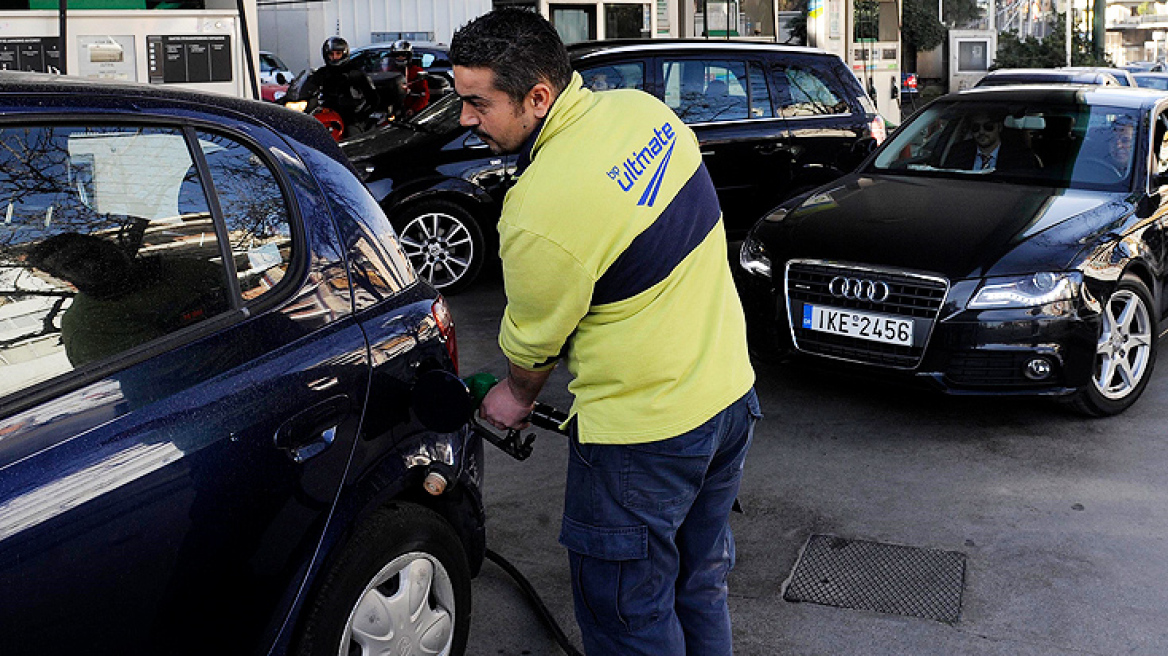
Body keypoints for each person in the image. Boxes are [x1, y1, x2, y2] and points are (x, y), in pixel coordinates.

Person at [451, 9, 759, 655]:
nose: (465, 119)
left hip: (643, 438)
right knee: (697, 584)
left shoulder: (538, 210)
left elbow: (534, 348)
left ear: (538, 96)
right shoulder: (640, 113)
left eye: (478, 103)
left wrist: (514, 395)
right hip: (729, 399)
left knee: (629, 619)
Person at [26, 232, 229, 367]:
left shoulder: (182, 270)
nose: (93, 265)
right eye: (74, 265)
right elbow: (176, 370)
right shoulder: (89, 326)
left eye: (93, 253)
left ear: (113, 247)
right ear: (65, 279)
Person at [304, 36, 378, 137]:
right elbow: (308, 87)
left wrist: (360, 116)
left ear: (344, 54)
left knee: (352, 134)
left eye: (338, 54)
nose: (334, 57)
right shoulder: (322, 73)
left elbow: (374, 98)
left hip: (350, 115)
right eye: (331, 54)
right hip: (328, 112)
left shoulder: (355, 73)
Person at [943, 112, 1040, 171]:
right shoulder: (958, 153)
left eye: (988, 126)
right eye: (976, 127)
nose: (981, 132)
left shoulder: (1020, 157)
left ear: (999, 127)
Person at [385, 40, 430, 117]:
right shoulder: (389, 71)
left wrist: (413, 109)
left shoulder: (416, 71)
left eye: (403, 55)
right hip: (391, 109)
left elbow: (424, 95)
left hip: (409, 110)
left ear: (409, 56)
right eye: (397, 55)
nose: (400, 58)